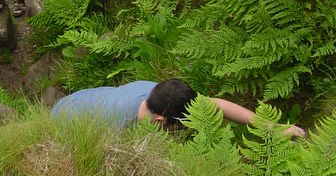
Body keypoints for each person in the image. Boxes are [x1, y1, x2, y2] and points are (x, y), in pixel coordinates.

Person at [51, 78, 306, 137]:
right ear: (161, 120)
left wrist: (272, 127)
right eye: (180, 125)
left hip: (85, 98)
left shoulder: (157, 93)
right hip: (63, 120)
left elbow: (216, 105)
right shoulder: (115, 130)